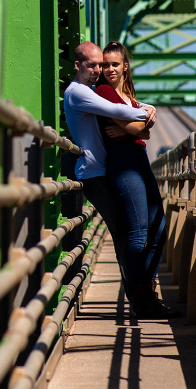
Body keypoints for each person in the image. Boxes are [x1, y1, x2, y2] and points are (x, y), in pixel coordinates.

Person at [63, 43, 154, 301]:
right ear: (78, 65)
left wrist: (146, 107)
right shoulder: (77, 92)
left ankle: (137, 291)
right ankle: (139, 296)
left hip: (103, 170)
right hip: (93, 173)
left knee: (125, 233)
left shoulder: (89, 90)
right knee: (124, 234)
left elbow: (118, 102)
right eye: (91, 65)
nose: (97, 70)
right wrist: (145, 112)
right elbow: (114, 109)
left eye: (100, 64)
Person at [95, 41, 177, 319]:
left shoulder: (128, 96)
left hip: (137, 159)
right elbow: (139, 129)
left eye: (114, 64)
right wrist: (137, 127)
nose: (108, 69)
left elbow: (144, 132)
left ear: (125, 66)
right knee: (139, 231)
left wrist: (136, 127)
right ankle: (142, 300)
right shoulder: (104, 92)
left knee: (158, 226)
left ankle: (147, 290)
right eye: (104, 65)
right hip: (122, 161)